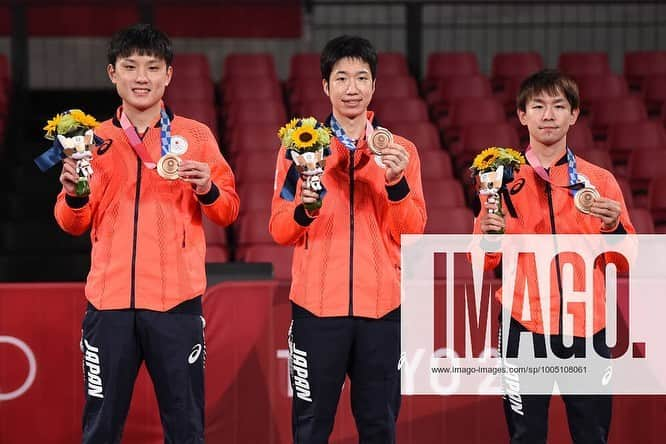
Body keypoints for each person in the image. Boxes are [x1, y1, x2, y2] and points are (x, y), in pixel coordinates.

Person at [55, 23, 239, 442]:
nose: (142, 77)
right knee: (101, 425)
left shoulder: (196, 136)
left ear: (168, 75)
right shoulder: (92, 141)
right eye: (131, 66)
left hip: (176, 305)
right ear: (112, 73)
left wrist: (207, 188)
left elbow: (229, 211)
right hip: (109, 304)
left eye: (153, 67)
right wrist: (74, 196)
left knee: (186, 426)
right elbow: (71, 223)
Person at [270, 35, 426, 443]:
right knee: (310, 428)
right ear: (325, 86)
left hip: (383, 310)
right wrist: (304, 207)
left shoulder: (400, 151)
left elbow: (413, 233)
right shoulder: (300, 149)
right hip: (317, 310)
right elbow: (280, 229)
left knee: (379, 428)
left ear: (374, 85)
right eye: (341, 78)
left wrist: (395, 184)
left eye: (361, 78)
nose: (352, 88)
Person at [474, 69, 635, 443]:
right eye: (538, 106)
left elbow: (625, 262)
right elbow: (482, 261)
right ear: (522, 115)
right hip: (523, 328)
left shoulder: (601, 182)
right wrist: (489, 237)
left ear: (574, 115)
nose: (548, 115)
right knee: (526, 435)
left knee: (592, 435)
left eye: (559, 106)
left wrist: (613, 229)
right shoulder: (501, 183)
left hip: (587, 327)